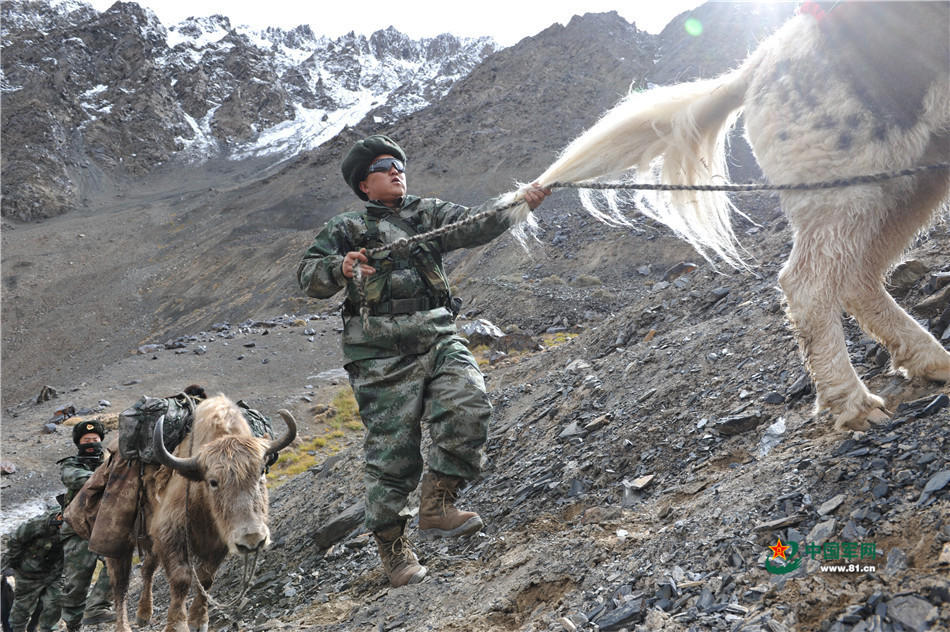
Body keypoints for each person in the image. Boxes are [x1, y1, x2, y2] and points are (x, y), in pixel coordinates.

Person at [297, 134, 550, 587]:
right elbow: (309, 277)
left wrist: (521, 203)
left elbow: (476, 224)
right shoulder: (345, 227)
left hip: (436, 334)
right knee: (393, 457)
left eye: (399, 163)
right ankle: (393, 551)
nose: (396, 170)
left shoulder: (426, 212)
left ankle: (438, 504)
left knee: (469, 404)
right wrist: (341, 268)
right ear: (363, 185)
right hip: (378, 354)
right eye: (382, 166)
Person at [57, 421, 114, 630]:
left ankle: (97, 606)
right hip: (76, 530)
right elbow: (78, 480)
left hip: (105, 527)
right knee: (76, 585)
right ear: (78, 443)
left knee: (116, 565)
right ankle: (73, 624)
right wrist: (109, 478)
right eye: (86, 441)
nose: (91, 444)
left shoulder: (113, 463)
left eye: (95, 440)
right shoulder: (70, 465)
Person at [1, 509, 64, 632]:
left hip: (53, 573)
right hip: (28, 574)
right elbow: (14, 541)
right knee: (21, 610)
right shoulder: (36, 525)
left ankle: (45, 628)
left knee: (54, 603)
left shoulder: (77, 527)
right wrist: (9, 566)